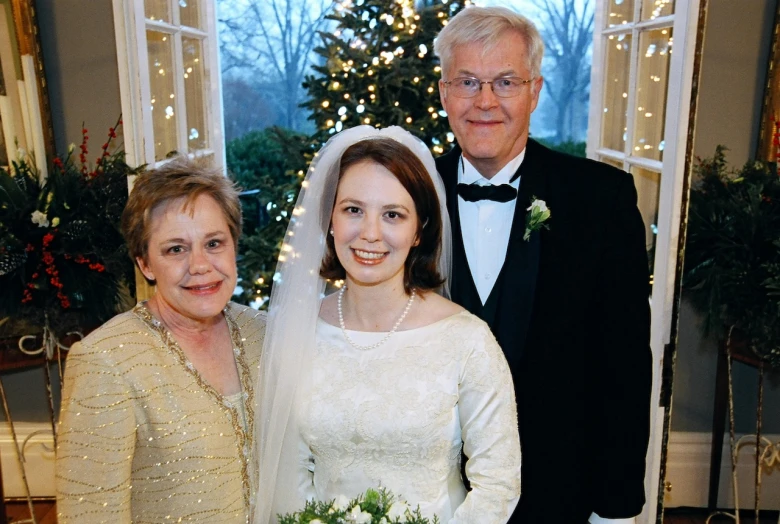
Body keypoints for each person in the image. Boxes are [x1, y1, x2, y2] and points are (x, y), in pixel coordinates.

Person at [434, 6, 652, 524]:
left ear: (535, 90)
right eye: (468, 82)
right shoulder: (409, 194)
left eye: (505, 82)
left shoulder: (601, 199)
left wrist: (615, 507)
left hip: (559, 493)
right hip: (434, 493)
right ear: (444, 93)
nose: (485, 101)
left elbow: (623, 366)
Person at [252, 126, 521, 523]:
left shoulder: (467, 340)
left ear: (419, 232)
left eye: (392, 215)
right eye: (353, 210)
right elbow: (287, 473)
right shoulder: (298, 331)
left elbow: (498, 483)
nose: (370, 233)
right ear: (330, 219)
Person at [56, 157, 266, 523]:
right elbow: (89, 514)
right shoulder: (106, 361)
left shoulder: (263, 333)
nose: (200, 265)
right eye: (175, 249)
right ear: (145, 264)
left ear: (234, 245)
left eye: (214, 243)